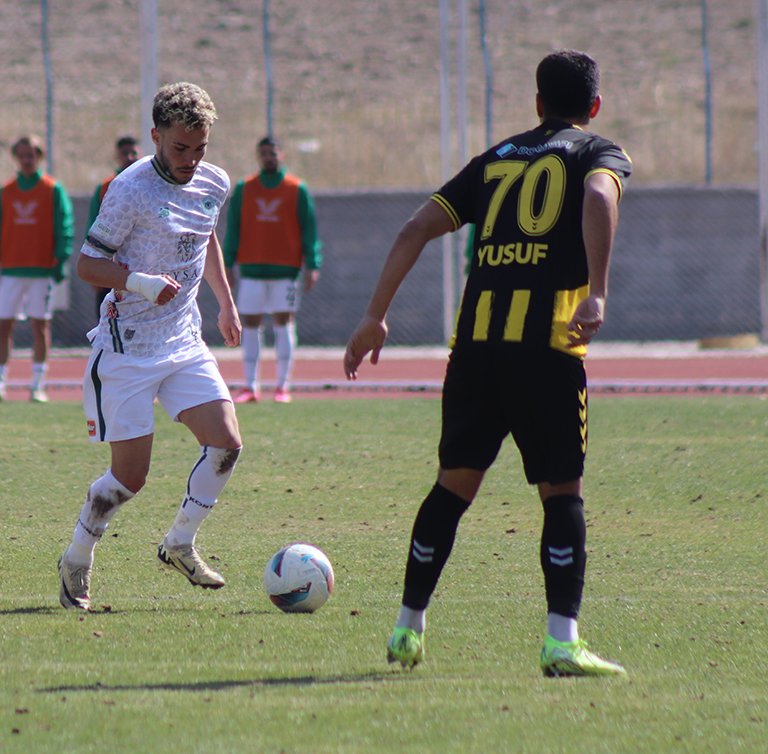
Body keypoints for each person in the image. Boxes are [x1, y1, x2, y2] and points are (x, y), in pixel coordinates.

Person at [343, 50, 632, 677]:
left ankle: (406, 629)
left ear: (536, 103)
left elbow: (414, 229)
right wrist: (599, 290)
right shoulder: (597, 152)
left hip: (474, 351)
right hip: (546, 352)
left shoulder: (496, 159)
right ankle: (562, 642)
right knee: (561, 495)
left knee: (453, 486)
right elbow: (599, 200)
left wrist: (373, 316)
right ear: (594, 106)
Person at [56, 82, 243, 611]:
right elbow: (88, 265)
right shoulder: (129, 189)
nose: (191, 159)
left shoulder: (214, 182)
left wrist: (224, 303)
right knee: (129, 478)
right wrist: (139, 281)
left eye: (200, 148)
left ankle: (180, 542)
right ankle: (76, 560)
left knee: (227, 444)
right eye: (180, 148)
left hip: (184, 339)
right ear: (156, 136)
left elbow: (204, 237)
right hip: (127, 348)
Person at [223, 136, 322, 403]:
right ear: (259, 156)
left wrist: (312, 263)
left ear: (282, 155)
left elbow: (309, 229)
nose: (269, 157)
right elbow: (233, 228)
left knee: (283, 323)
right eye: (265, 153)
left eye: (273, 153)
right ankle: (251, 386)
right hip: (252, 269)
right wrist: (228, 261)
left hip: (285, 269)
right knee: (251, 325)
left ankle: (282, 386)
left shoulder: (296, 188)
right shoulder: (245, 188)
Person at [0, 135, 74, 403]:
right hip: (11, 270)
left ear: (39, 157)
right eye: (22, 155)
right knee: (3, 326)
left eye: (31, 154)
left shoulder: (52, 190)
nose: (27, 160)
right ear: (16, 158)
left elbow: (64, 226)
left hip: (41, 271)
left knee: (40, 326)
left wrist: (60, 259)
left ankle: (37, 385)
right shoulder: (6, 192)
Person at [86, 135, 141, 317]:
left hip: (139, 265)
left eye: (133, 152)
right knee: (107, 320)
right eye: (125, 153)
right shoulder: (106, 187)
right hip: (111, 265)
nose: (129, 157)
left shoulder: (148, 185)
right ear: (117, 156)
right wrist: (94, 264)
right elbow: (93, 227)